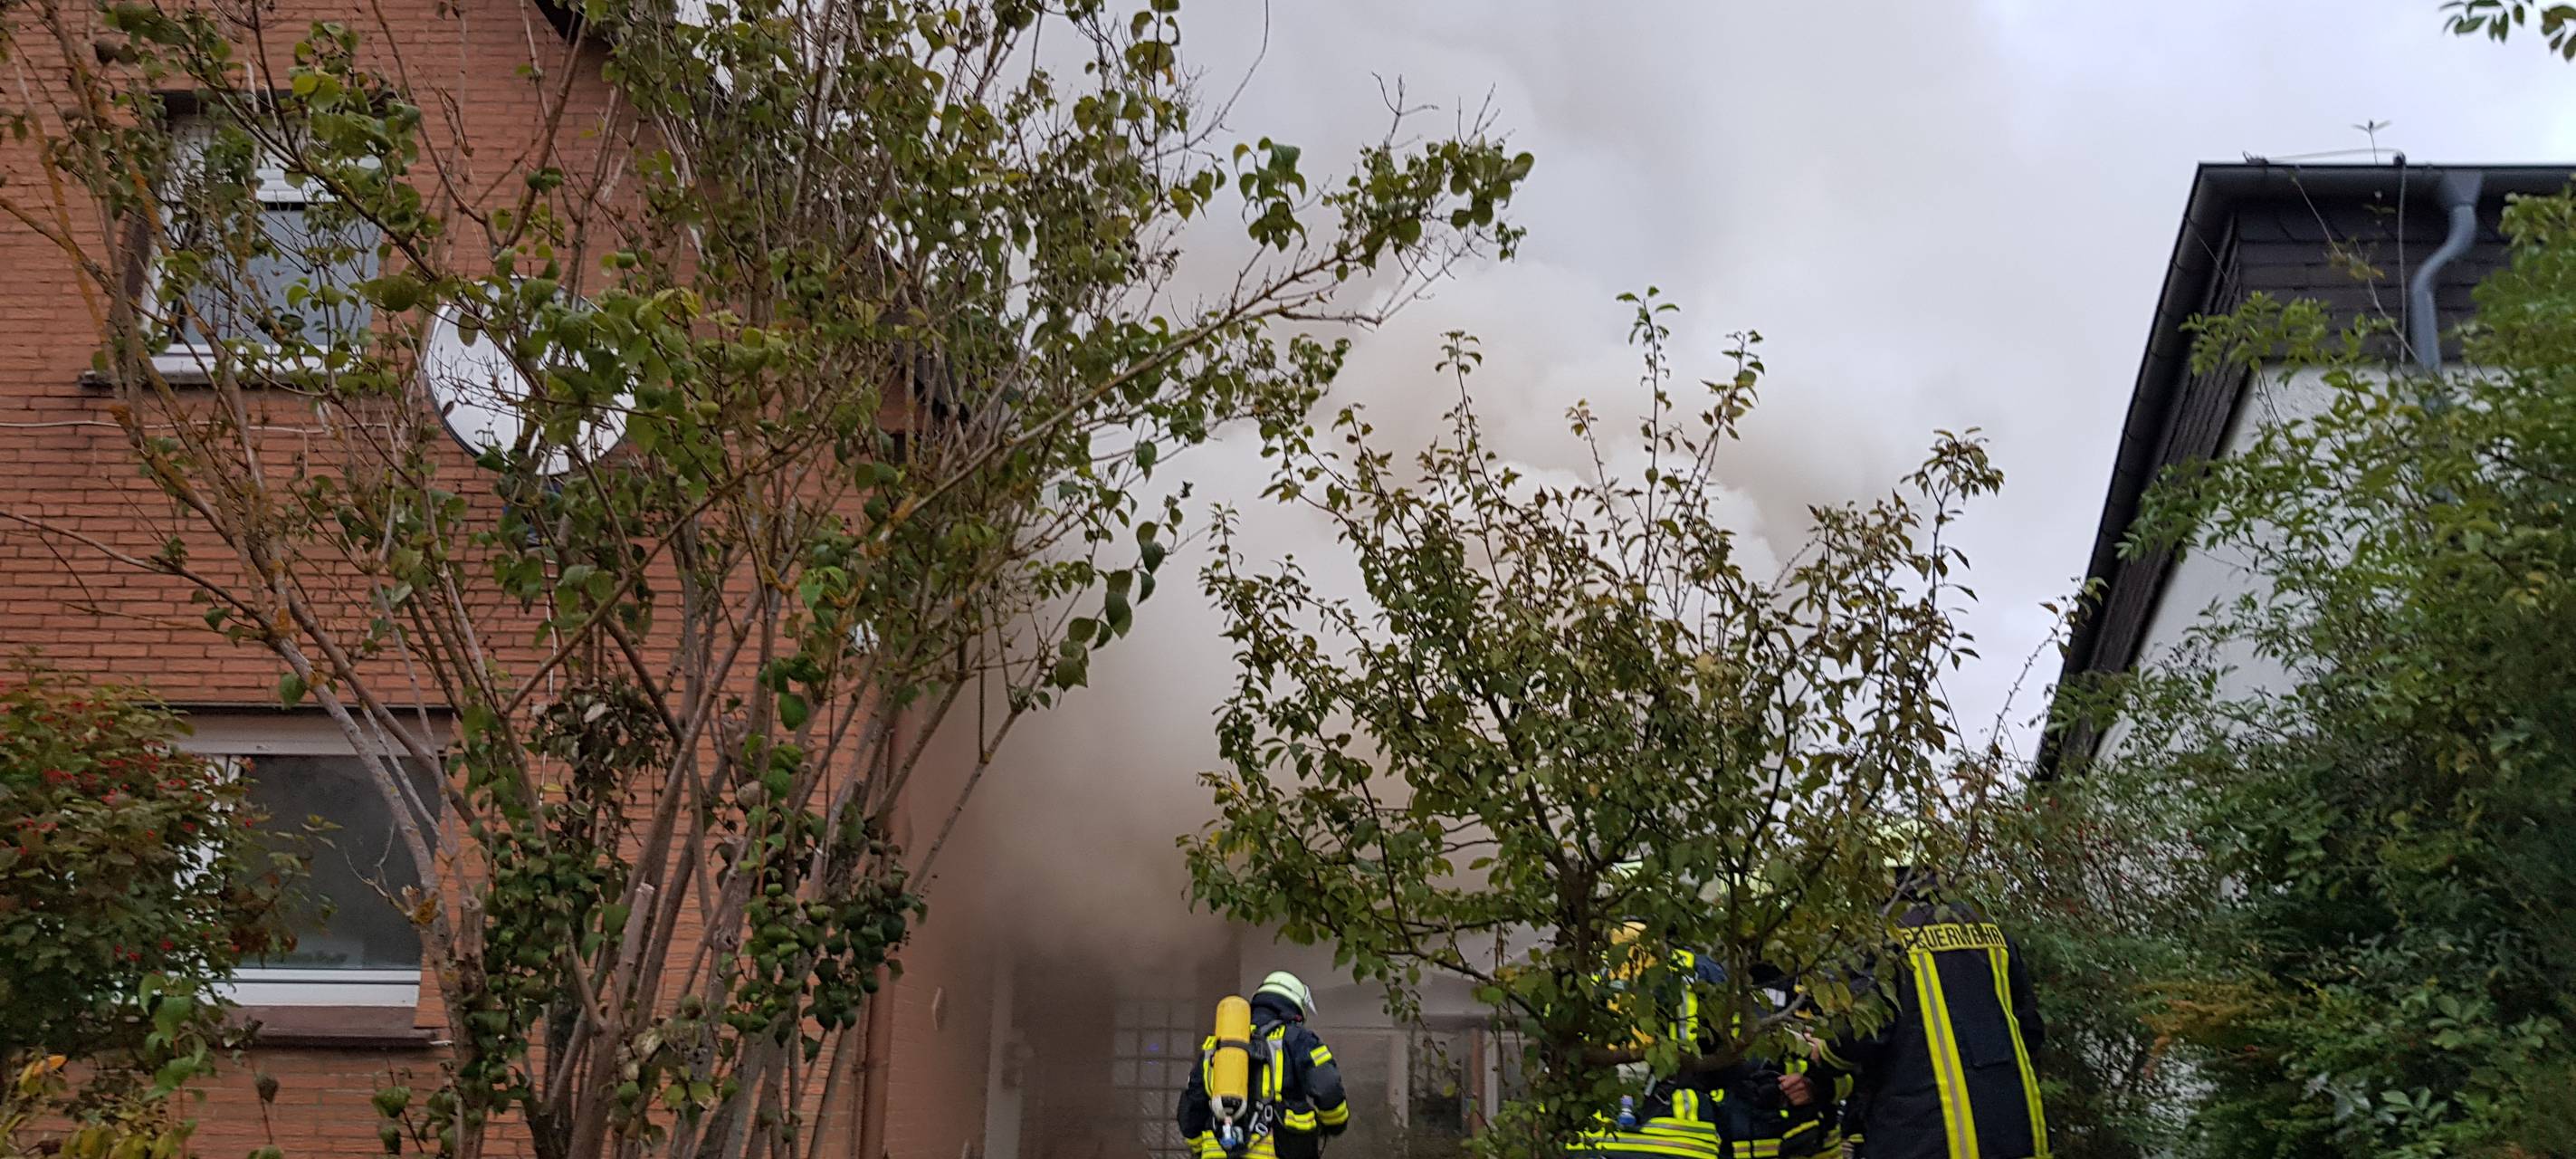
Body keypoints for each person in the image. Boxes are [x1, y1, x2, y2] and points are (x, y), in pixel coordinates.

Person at [1821, 851, 2047, 1159]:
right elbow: (2030, 1030)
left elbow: (1858, 1035)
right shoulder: (1991, 932)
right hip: (2014, 1134)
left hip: (1922, 1139)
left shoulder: (1885, 940)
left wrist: (1822, 1054)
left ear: (1885, 879)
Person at [1179, 972, 1350, 1159]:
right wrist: (1335, 1123)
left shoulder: (1216, 1046)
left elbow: (1190, 1112)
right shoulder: (1297, 1039)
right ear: (1296, 1010)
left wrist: (1202, 1147)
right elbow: (1327, 1087)